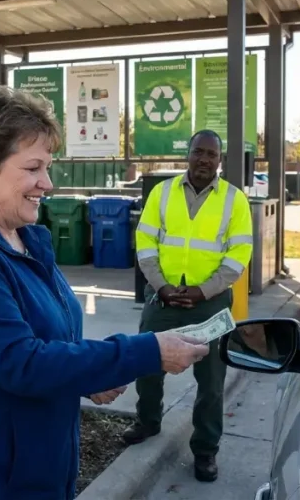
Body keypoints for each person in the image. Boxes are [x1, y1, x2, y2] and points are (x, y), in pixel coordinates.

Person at [0, 87, 210, 500]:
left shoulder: (25, 238)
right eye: (33, 168)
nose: (47, 182)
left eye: (48, 166)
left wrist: (89, 375)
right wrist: (148, 351)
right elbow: (19, 361)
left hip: (30, 475)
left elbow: (48, 342)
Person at [124, 130, 254, 482]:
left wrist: (203, 291)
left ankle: (206, 450)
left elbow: (239, 255)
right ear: (188, 155)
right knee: (147, 364)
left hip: (208, 304)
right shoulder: (162, 193)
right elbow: (146, 241)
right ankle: (148, 421)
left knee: (211, 383)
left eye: (211, 154)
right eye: (199, 152)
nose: (204, 160)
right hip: (162, 297)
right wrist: (161, 286)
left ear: (220, 160)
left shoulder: (234, 200)